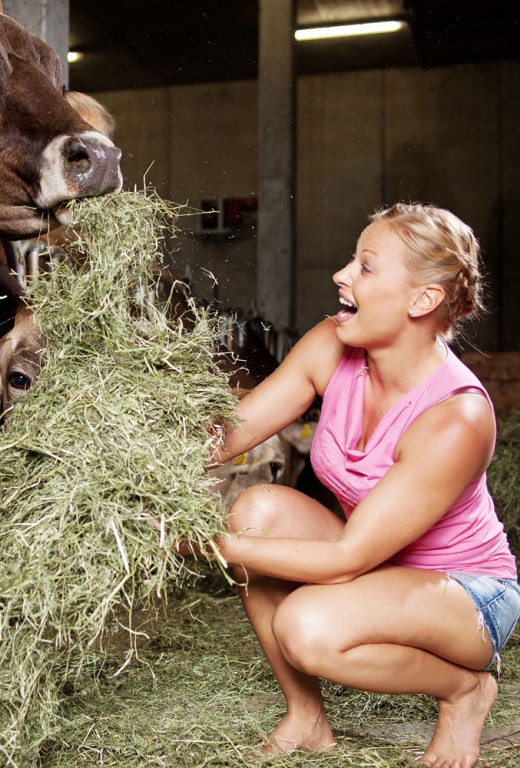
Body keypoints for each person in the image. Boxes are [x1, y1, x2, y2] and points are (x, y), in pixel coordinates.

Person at [211, 202, 520, 768]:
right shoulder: (333, 343)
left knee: (305, 627)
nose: (342, 275)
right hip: (378, 561)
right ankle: (306, 718)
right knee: (255, 510)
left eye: (366, 267)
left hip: (464, 592)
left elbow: (350, 557)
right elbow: (232, 431)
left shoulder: (457, 416)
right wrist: (138, 470)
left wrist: (207, 546)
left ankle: (464, 691)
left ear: (421, 300)